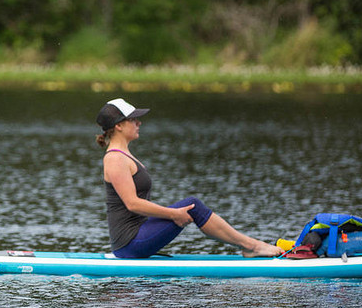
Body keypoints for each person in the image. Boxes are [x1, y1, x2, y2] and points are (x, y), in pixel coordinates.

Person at [96, 98, 281, 259]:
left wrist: (172, 214)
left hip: (136, 236)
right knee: (193, 206)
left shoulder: (123, 155)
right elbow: (132, 204)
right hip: (129, 243)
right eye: (133, 119)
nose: (139, 123)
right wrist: (173, 214)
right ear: (118, 125)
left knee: (191, 206)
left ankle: (250, 245)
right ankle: (251, 246)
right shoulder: (115, 158)